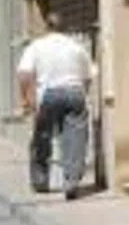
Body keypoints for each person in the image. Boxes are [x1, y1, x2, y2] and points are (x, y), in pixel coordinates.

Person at [17, 25, 95, 199]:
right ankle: (71, 181)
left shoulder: (37, 46)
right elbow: (88, 76)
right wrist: (83, 94)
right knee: (76, 139)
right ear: (64, 29)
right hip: (74, 91)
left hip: (48, 93)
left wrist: (26, 99)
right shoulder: (76, 46)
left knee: (42, 137)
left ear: (46, 28)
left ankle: (40, 181)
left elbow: (24, 74)